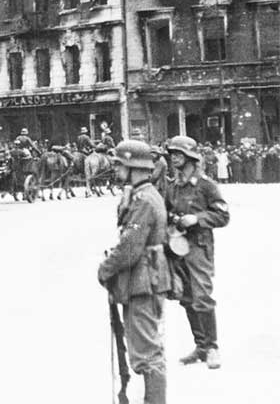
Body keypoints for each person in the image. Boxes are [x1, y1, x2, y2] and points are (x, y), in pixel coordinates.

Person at [98, 140, 170, 404]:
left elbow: (130, 246)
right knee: (145, 351)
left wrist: (106, 269)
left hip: (144, 280)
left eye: (119, 165)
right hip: (142, 280)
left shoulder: (145, 200)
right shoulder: (140, 195)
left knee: (147, 355)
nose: (116, 170)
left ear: (132, 166)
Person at [165, 135, 229, 370]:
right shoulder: (172, 185)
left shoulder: (206, 185)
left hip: (199, 247)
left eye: (179, 154)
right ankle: (200, 346)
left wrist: (198, 218)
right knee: (186, 297)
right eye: (172, 154)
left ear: (191, 157)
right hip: (177, 247)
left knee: (202, 296)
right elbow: (166, 211)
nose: (174, 158)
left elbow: (223, 215)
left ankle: (212, 347)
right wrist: (173, 219)